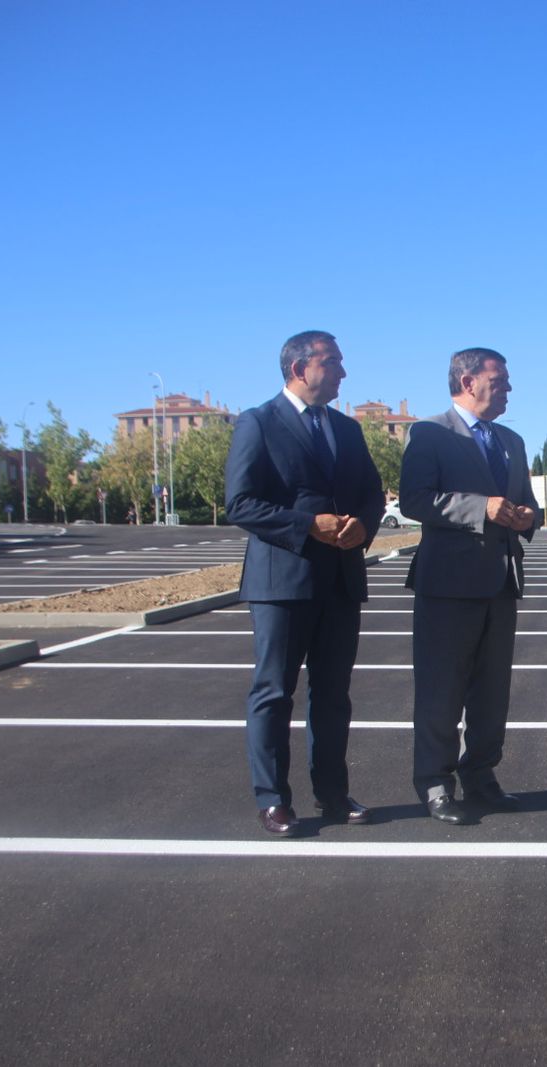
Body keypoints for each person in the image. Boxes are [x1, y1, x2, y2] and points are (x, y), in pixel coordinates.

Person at [224, 330, 386, 836]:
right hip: (282, 582)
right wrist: (307, 525)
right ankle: (273, 799)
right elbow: (241, 503)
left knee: (333, 694)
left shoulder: (347, 429)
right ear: (299, 369)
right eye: (332, 362)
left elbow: (372, 494)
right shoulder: (258, 422)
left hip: (340, 579)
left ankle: (332, 793)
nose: (342, 372)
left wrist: (363, 526)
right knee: (274, 692)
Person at [399, 348, 541, 824]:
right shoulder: (430, 432)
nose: (508, 389)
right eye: (499, 381)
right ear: (467, 382)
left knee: (492, 692)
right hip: (447, 585)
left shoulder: (511, 441)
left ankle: (481, 774)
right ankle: (435, 783)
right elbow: (415, 499)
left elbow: (524, 503)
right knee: (440, 692)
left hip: (501, 584)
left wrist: (528, 516)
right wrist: (481, 507)